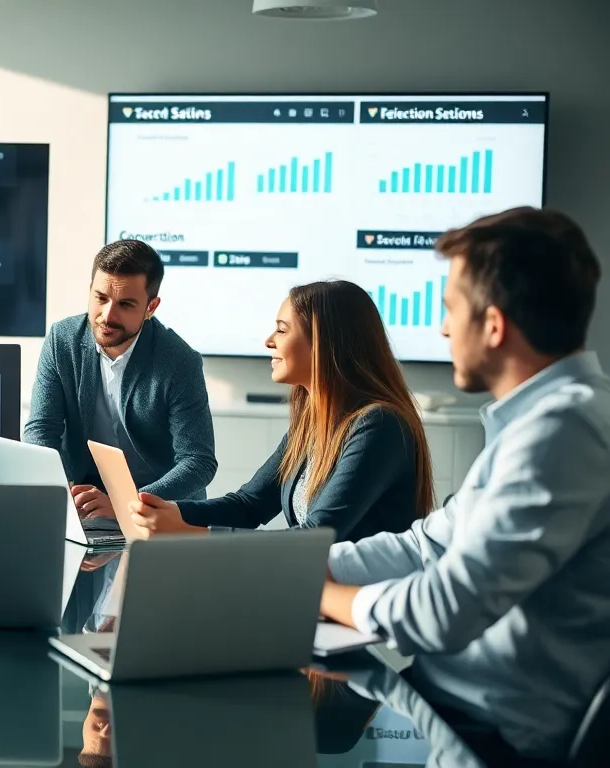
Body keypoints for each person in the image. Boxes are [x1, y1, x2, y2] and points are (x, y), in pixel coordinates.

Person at [320, 207, 610, 763]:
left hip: (487, 737)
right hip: (443, 708)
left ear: (495, 325)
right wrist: (309, 568)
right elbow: (427, 543)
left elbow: (442, 611)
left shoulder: (564, 430)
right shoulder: (537, 422)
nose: (443, 328)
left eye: (451, 309)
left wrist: (322, 595)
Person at [130, 280, 433, 542]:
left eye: (282, 330)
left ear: (325, 343)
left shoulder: (379, 426)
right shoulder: (313, 425)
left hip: (358, 602)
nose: (269, 341)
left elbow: (314, 538)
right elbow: (249, 505)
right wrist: (168, 510)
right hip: (316, 591)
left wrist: (189, 533)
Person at [24, 239, 216, 520]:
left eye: (125, 304)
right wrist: (58, 488)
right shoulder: (61, 340)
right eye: (100, 298)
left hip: (157, 508)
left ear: (151, 307)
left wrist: (128, 503)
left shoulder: (180, 361)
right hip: (85, 502)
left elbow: (199, 462)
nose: (107, 316)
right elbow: (41, 428)